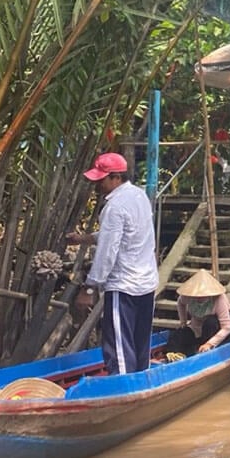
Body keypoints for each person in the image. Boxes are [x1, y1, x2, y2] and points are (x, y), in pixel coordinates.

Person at [69, 152, 158, 375]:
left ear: (116, 178)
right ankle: (142, 384)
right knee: (140, 343)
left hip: (124, 284)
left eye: (101, 179)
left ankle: (123, 387)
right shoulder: (139, 197)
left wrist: (90, 287)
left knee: (118, 345)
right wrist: (84, 238)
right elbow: (127, 234)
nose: (98, 185)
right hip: (146, 282)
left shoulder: (114, 207)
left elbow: (107, 251)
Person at [166, 269, 230, 357]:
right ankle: (172, 355)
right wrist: (183, 322)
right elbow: (180, 303)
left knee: (210, 323)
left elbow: (227, 327)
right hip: (198, 325)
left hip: (219, 326)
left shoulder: (219, 298)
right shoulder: (187, 296)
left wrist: (209, 344)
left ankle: (204, 350)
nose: (200, 297)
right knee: (180, 333)